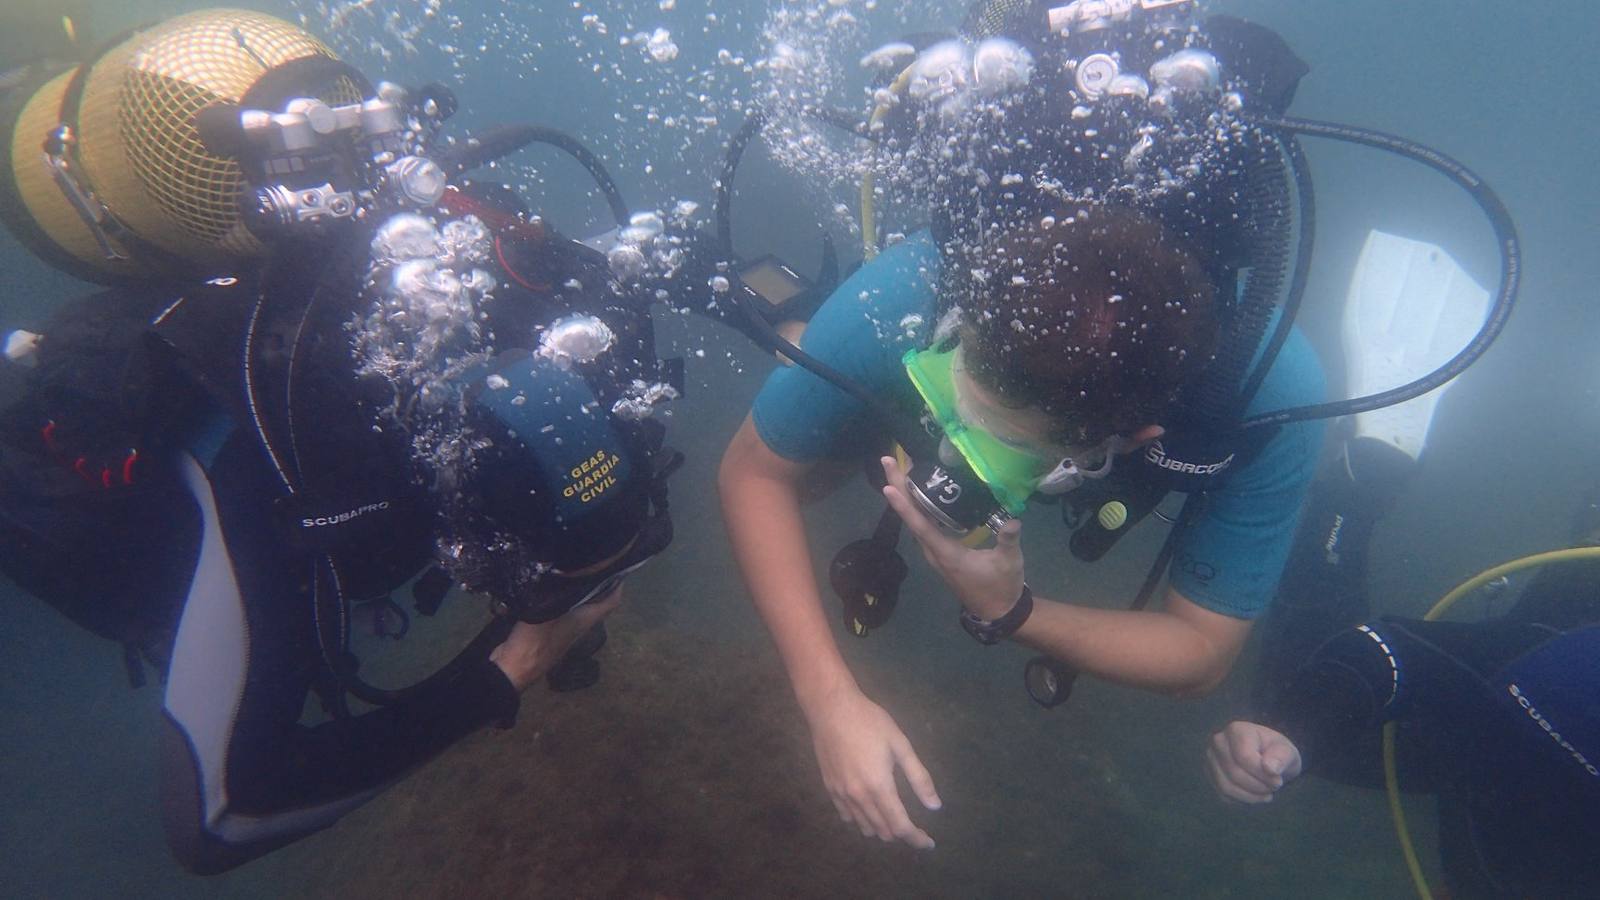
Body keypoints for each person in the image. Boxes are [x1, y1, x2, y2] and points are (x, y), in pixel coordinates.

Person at [0, 10, 679, 873]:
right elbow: (220, 815)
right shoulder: (244, 439)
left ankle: (47, 66)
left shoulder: (473, 264)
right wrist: (508, 670)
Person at [719, 5, 1331, 849]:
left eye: (1005, 444)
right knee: (822, 428)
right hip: (903, 325)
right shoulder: (908, 292)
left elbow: (1203, 652)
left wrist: (1014, 611)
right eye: (949, 390)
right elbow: (753, 473)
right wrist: (829, 699)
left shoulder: (1270, 392)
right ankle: (810, 342)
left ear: (1135, 438)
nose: (958, 441)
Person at [1208, 452, 1600, 898]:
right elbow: (1394, 654)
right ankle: (1360, 483)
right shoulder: (1573, 684)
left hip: (1529, 791)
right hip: (1522, 736)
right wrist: (1297, 732)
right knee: (1288, 711)